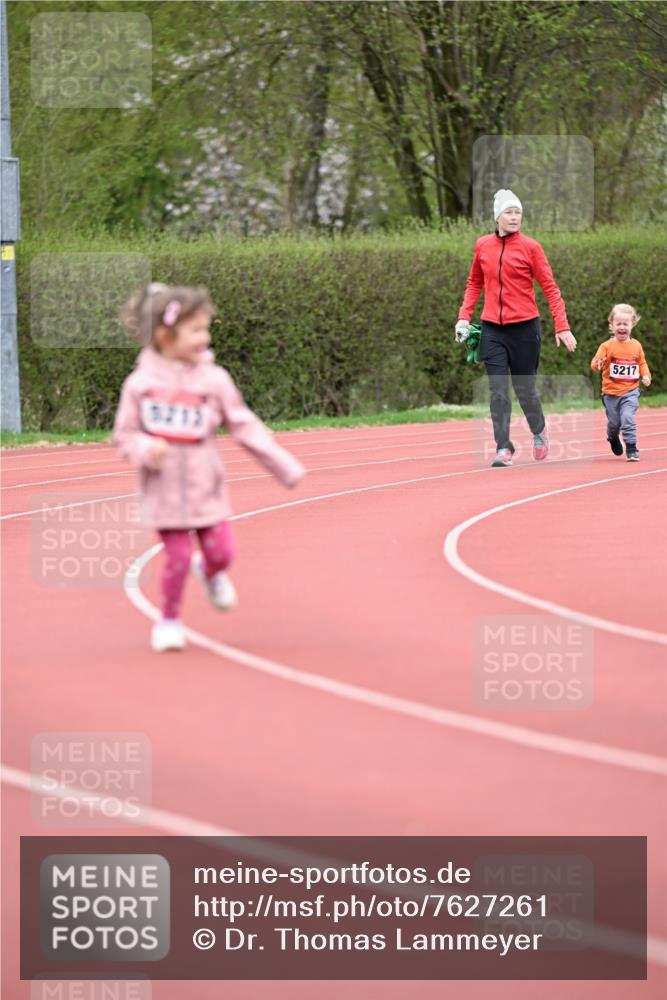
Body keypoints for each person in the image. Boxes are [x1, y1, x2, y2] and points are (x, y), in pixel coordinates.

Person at [114, 283, 306, 652]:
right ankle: (169, 620)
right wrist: (144, 447)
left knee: (221, 554)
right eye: (197, 330)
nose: (206, 336)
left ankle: (211, 573)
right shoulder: (139, 385)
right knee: (177, 557)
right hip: (164, 492)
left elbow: (242, 423)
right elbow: (124, 435)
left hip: (206, 488)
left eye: (206, 328)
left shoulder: (213, 380)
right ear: (164, 335)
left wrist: (282, 465)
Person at [456, 189, 577, 467]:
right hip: (492, 329)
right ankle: (504, 447)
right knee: (497, 389)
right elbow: (474, 282)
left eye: (518, 212)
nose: (514, 217)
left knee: (525, 391)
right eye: (509, 212)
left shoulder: (531, 247)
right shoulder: (482, 246)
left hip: (525, 330)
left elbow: (550, 288)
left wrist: (562, 326)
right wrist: (464, 316)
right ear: (497, 216)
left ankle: (539, 429)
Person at [590, 303, 651, 462]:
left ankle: (631, 448)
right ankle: (612, 437)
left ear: (632, 324)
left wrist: (646, 376)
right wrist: (599, 364)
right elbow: (595, 364)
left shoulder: (636, 346)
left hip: (630, 391)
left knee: (627, 418)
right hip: (610, 394)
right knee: (614, 423)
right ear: (612, 325)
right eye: (618, 324)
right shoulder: (607, 346)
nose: (622, 327)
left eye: (625, 324)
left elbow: (642, 363)